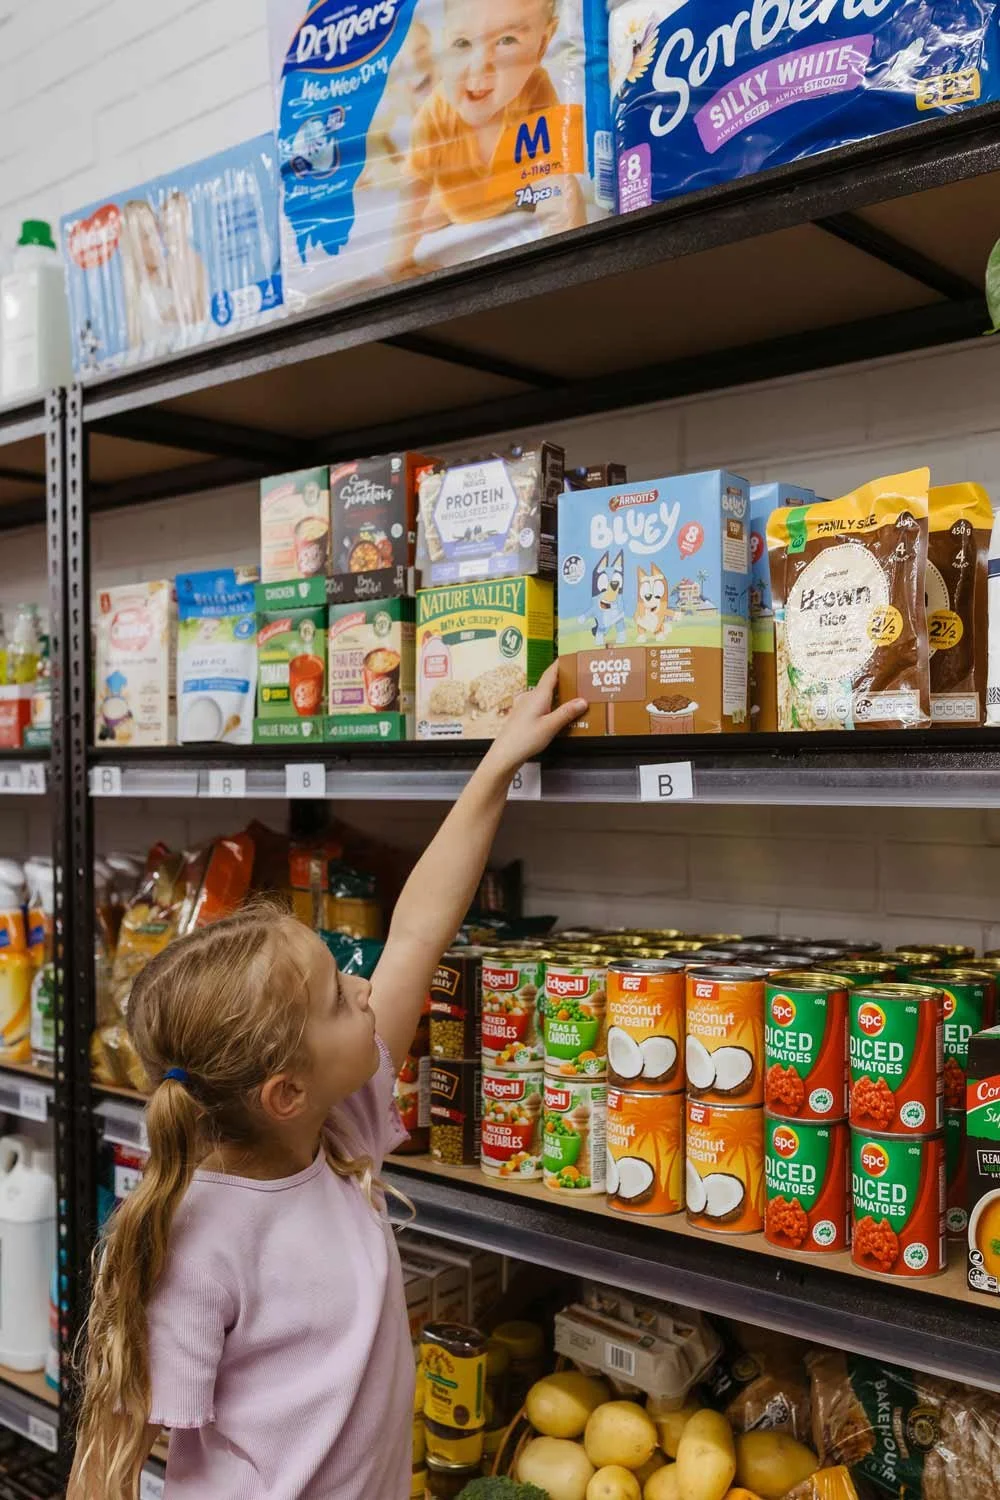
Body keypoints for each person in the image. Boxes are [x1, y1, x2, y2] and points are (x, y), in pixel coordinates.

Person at [68, 662, 586, 1500]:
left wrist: (497, 766)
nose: (361, 987)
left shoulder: (334, 1129)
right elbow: (110, 1455)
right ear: (284, 1091)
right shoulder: (197, 1242)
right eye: (337, 1000)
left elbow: (417, 930)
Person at [390, 0, 586, 276]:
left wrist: (562, 239)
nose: (479, 66)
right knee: (423, 216)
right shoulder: (434, 112)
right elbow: (414, 188)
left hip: (514, 193)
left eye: (507, 40)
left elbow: (553, 166)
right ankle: (444, 209)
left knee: (566, 187)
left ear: (542, 45)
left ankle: (571, 264)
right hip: (457, 204)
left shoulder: (535, 88)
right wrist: (400, 262)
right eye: (462, 43)